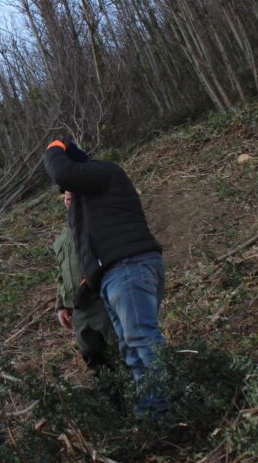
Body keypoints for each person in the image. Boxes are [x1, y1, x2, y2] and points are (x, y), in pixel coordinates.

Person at [44, 138, 168, 417]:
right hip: (114, 276)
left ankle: (172, 409)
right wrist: (84, 286)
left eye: (69, 190)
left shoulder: (105, 173)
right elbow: (85, 251)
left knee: (141, 341)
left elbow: (62, 173)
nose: (67, 194)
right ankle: (151, 417)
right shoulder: (90, 210)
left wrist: (54, 146)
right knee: (131, 351)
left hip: (128, 268)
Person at [54, 190, 117, 376]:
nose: (68, 202)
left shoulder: (97, 226)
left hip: (101, 301)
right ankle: (114, 403)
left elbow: (108, 257)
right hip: (78, 311)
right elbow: (61, 274)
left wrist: (90, 280)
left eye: (72, 198)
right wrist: (61, 306)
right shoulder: (62, 239)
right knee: (94, 362)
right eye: (66, 199)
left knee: (121, 352)